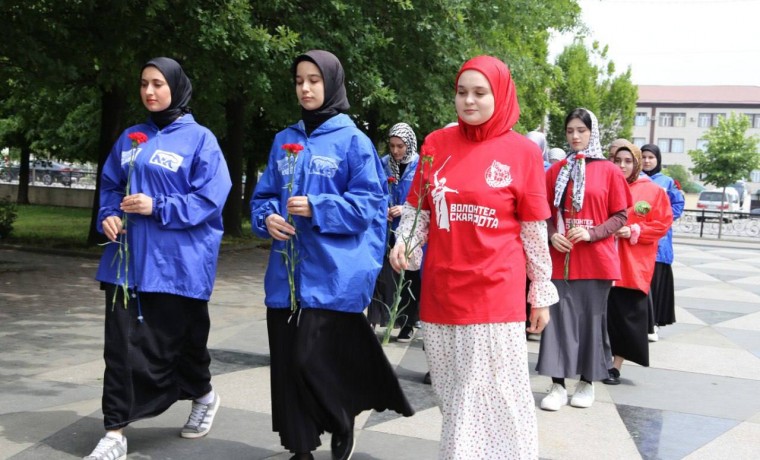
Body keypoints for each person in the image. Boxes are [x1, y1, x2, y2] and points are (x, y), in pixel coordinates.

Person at [390, 55, 557, 459]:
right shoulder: (436, 144)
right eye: (461, 92)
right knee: (453, 401)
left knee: (486, 403)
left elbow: (534, 229)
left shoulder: (522, 152)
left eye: (479, 92)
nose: (468, 101)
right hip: (442, 295)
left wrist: (541, 292)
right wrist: (405, 244)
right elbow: (419, 211)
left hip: (494, 295)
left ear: (499, 95)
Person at [251, 50, 414, 460]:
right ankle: (301, 449)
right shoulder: (282, 140)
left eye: (314, 80)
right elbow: (263, 197)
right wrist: (266, 218)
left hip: (332, 275)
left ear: (332, 84)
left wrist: (319, 206)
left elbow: (368, 209)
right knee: (288, 364)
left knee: (310, 358)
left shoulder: (353, 142)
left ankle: (342, 420)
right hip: (285, 273)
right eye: (299, 81)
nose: (305, 88)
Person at [87, 57, 232, 460]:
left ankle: (203, 395)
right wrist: (109, 215)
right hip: (126, 264)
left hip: (177, 267)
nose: (149, 92)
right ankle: (115, 432)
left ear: (176, 88)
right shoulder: (131, 137)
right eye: (143, 84)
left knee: (181, 346)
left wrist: (158, 205)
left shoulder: (200, 140)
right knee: (119, 348)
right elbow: (111, 184)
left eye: (157, 84)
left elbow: (209, 198)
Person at [537, 108, 632, 411]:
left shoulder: (609, 170)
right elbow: (543, 212)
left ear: (593, 132)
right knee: (556, 322)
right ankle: (556, 385)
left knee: (591, 322)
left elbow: (621, 215)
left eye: (581, 130)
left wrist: (593, 234)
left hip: (596, 260)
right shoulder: (555, 170)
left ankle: (587, 382)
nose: (575, 136)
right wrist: (552, 234)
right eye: (569, 131)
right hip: (559, 257)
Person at [603, 143, 673, 385]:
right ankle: (597, 359)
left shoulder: (653, 192)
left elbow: (662, 224)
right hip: (600, 263)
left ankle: (615, 365)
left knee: (625, 316)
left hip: (631, 266)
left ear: (636, 163)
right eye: (617, 160)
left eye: (628, 161)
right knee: (602, 315)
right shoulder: (602, 186)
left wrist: (634, 229)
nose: (622, 166)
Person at [367, 122, 421, 342]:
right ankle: (376, 319)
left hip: (410, 231)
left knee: (409, 276)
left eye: (400, 146)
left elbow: (424, 199)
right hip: (386, 227)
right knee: (381, 275)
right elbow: (374, 191)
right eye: (392, 146)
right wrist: (384, 208)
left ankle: (408, 323)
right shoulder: (384, 164)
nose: (396, 151)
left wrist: (405, 208)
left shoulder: (420, 166)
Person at [640, 144, 685, 341]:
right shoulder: (635, 179)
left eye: (651, 157)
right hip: (637, 238)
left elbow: (678, 204)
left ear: (658, 159)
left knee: (656, 283)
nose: (647, 161)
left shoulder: (667, 182)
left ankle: (654, 324)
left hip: (659, 241)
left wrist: (663, 219)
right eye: (643, 157)